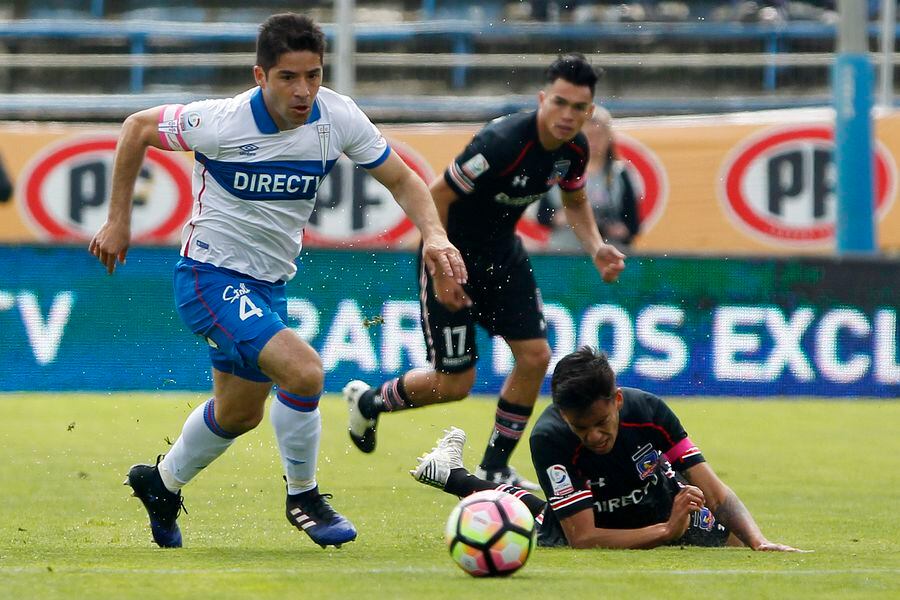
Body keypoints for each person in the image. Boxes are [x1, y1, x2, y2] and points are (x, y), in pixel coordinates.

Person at [88, 13, 467, 550]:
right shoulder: (219, 121)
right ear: (260, 76)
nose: (304, 90)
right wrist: (119, 219)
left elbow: (403, 178)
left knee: (240, 413)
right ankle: (304, 498)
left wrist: (433, 235)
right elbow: (137, 128)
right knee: (305, 372)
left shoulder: (335, 116)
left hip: (265, 285)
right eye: (288, 77)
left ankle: (162, 484)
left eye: (313, 75)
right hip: (209, 277)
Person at [344, 54, 626, 490]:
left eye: (579, 108)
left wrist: (595, 248)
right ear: (542, 99)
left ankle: (495, 466)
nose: (568, 115)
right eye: (560, 102)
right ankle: (370, 401)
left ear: (589, 111)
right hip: (452, 257)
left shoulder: (574, 151)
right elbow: (437, 197)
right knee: (455, 382)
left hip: (504, 257)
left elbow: (574, 201)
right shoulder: (501, 142)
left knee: (535, 357)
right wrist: (441, 269)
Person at [411, 347, 806, 551]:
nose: (595, 436)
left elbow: (715, 492)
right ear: (564, 416)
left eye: (602, 424)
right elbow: (584, 538)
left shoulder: (648, 411)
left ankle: (450, 474)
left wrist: (758, 540)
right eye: (581, 428)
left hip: (662, 506)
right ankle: (453, 476)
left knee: (737, 547)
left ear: (616, 400)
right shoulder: (550, 437)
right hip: (606, 520)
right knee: (546, 522)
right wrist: (667, 531)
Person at [537, 105, 640, 251]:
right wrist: (562, 218)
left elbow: (632, 225)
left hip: (609, 251)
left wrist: (616, 229)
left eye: (599, 135)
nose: (593, 141)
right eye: (588, 135)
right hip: (565, 253)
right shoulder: (560, 170)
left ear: (609, 138)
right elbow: (542, 215)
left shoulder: (620, 173)